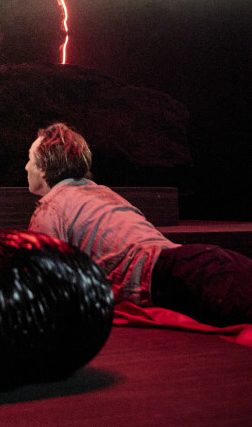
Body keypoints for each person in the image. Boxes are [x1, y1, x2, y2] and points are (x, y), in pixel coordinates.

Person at [26, 122, 252, 328]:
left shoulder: (51, 208)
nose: (26, 167)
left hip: (174, 278)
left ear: (44, 168)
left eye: (30, 159)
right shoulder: (103, 192)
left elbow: (42, 281)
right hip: (197, 260)